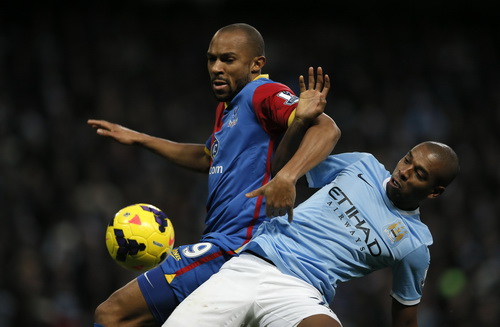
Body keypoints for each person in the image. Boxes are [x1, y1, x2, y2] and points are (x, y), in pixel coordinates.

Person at [88, 23, 340, 326]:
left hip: (238, 245)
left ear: (256, 64)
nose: (216, 68)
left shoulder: (264, 92)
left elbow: (326, 128)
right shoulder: (227, 107)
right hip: (223, 242)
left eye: (228, 60)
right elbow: (206, 156)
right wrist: (141, 139)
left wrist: (287, 177)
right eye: (211, 59)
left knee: (112, 314)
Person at [163, 140, 460, 327]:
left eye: (419, 173)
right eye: (408, 159)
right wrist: (303, 122)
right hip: (251, 265)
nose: (405, 171)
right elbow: (284, 170)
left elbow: (405, 318)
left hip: (301, 294)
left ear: (435, 192)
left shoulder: (414, 245)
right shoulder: (362, 165)